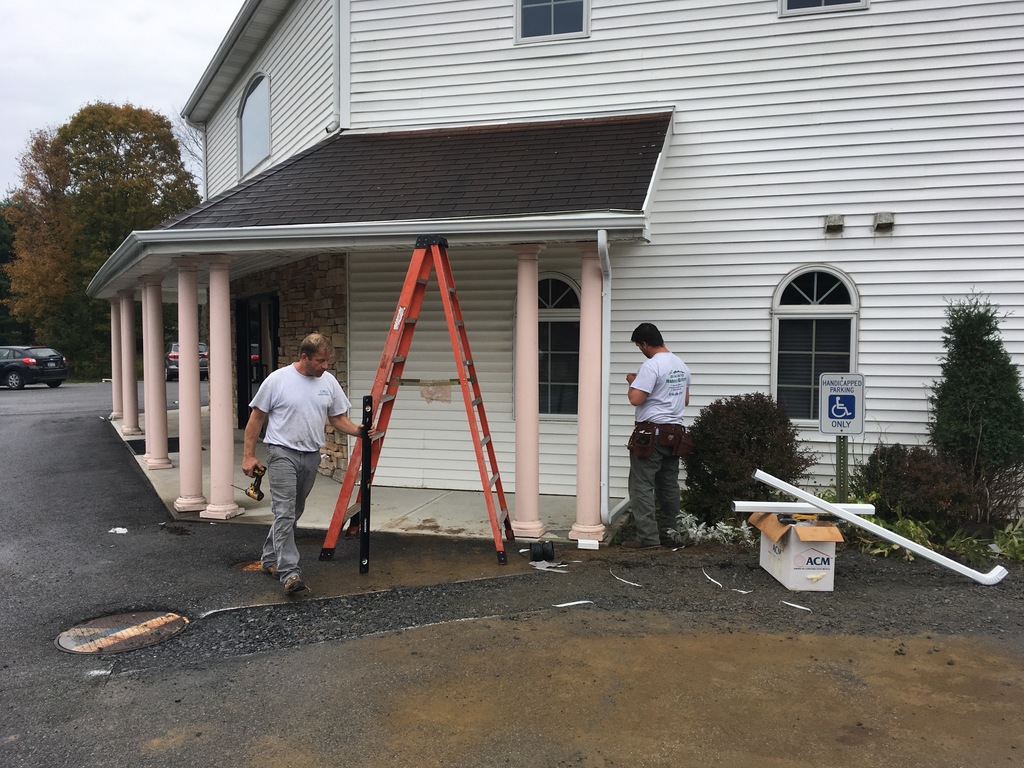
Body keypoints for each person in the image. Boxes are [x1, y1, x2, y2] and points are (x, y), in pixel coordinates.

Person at [242, 333, 369, 594]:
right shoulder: (277, 380)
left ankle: (269, 558)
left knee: (294, 511)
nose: (325, 366)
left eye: (327, 361)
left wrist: (360, 431)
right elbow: (256, 419)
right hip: (282, 453)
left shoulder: (328, 381)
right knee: (285, 512)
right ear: (304, 357)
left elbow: (337, 418)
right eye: (320, 361)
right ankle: (290, 573)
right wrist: (248, 456)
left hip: (311, 456)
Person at [624, 323, 691, 549]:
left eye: (638, 346)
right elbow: (685, 400)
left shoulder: (651, 366)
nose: (640, 350)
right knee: (668, 486)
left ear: (644, 343)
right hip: (674, 434)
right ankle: (669, 534)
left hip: (650, 435)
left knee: (641, 485)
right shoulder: (681, 365)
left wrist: (633, 382)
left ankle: (648, 539)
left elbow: (635, 399)